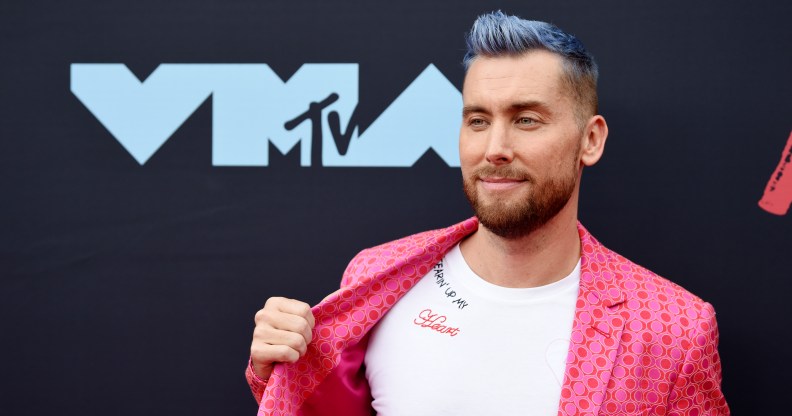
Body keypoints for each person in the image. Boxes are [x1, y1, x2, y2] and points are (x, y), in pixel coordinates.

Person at [246, 11, 729, 416]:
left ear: (591, 139)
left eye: (526, 120)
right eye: (478, 120)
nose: (495, 148)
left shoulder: (676, 330)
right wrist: (279, 368)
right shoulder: (376, 275)